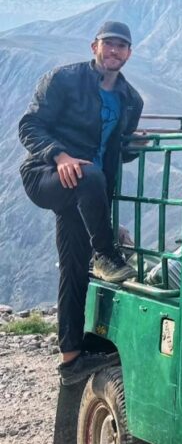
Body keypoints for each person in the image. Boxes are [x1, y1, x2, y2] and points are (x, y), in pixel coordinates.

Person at [19, 21, 143, 385]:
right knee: (88, 174)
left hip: (88, 190)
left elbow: (115, 149)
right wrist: (60, 156)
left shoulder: (131, 99)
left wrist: (134, 145)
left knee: (73, 265)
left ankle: (71, 358)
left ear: (129, 53)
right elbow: (30, 126)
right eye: (109, 44)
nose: (114, 51)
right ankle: (105, 254)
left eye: (121, 46)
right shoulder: (64, 80)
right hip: (46, 173)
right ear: (94, 47)